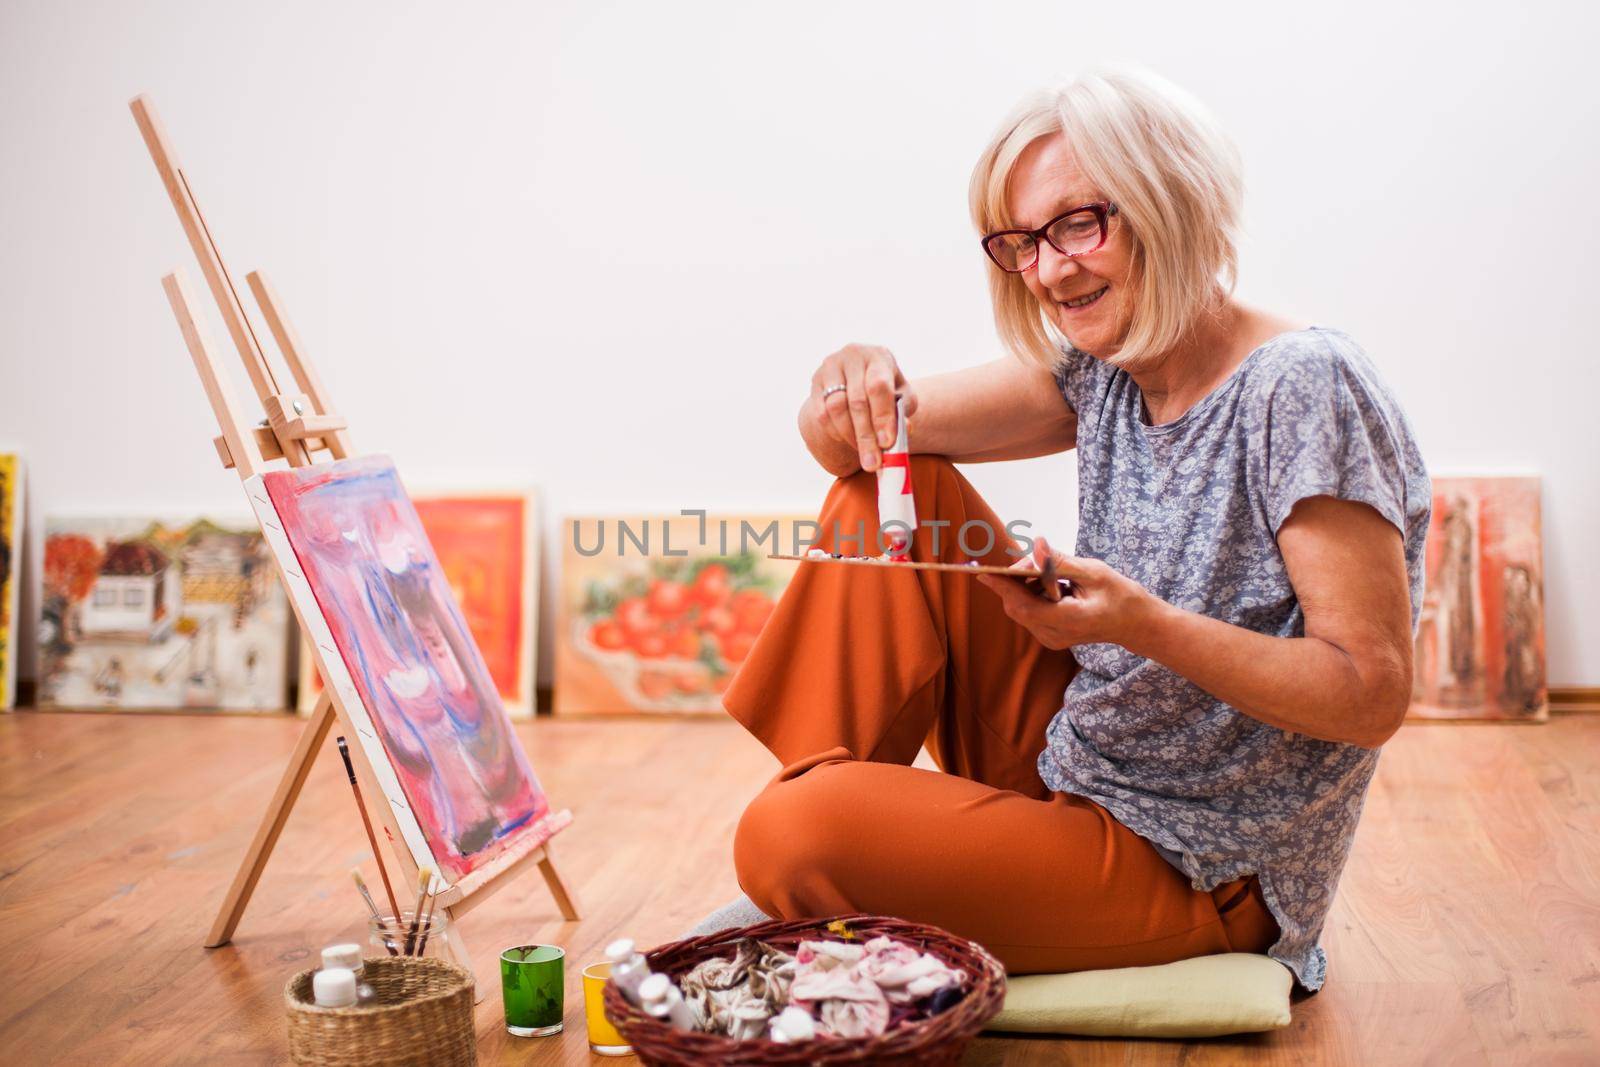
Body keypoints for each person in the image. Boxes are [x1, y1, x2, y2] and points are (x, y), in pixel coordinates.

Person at [723, 67, 1431, 992]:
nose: (1052, 267)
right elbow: (872, 438)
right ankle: (842, 837)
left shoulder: (1303, 385)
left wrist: (1143, 625)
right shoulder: (1107, 367)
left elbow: (1371, 694)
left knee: (786, 833)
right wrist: (843, 390)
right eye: (1023, 240)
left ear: (1171, 200)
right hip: (1080, 759)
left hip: (1194, 862)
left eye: (1079, 223)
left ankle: (828, 852)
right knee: (891, 489)